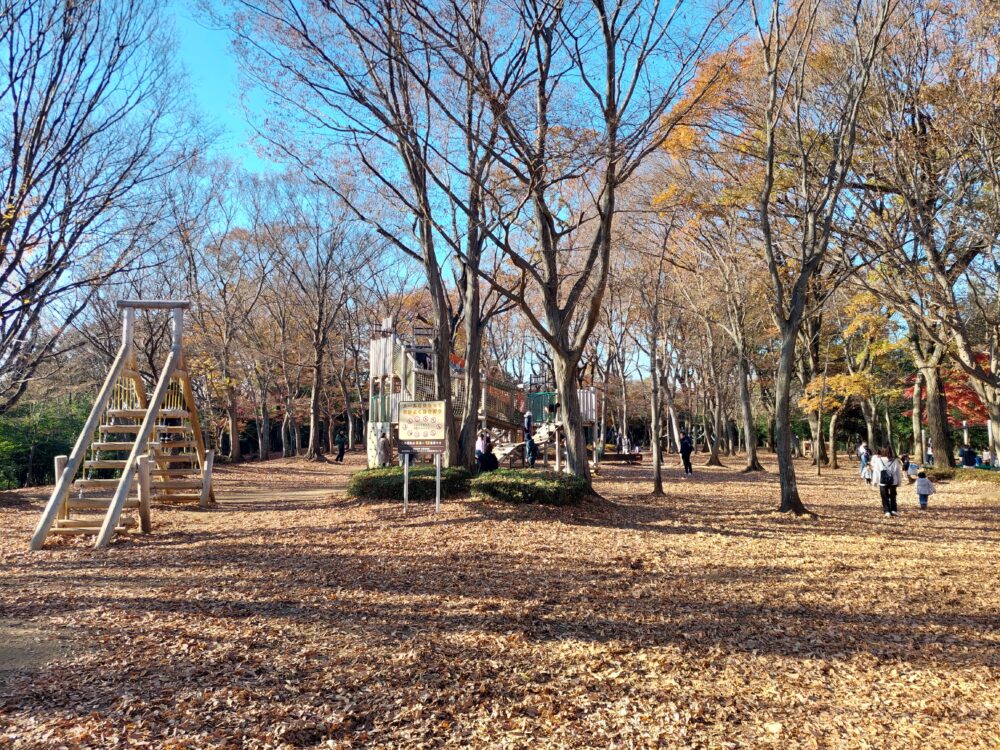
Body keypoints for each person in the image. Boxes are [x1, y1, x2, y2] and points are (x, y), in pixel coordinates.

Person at [870, 446, 902, 517]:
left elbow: (876, 472)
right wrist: (899, 482)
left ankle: (887, 511)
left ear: (882, 452)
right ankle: (893, 510)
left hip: (882, 481)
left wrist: (875, 481)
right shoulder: (895, 460)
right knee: (893, 496)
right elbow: (898, 472)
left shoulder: (879, 460)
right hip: (893, 481)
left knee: (884, 496)